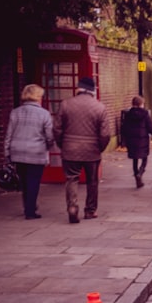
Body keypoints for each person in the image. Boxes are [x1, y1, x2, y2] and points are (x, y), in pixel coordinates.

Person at [54, 76, 110, 223]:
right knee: (92, 181)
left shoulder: (65, 104)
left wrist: (63, 144)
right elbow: (105, 134)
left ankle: (72, 207)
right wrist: (100, 148)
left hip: (70, 149)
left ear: (78, 88)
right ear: (93, 90)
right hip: (92, 151)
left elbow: (57, 129)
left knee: (71, 179)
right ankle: (90, 211)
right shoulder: (100, 107)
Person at [3, 84, 54, 219]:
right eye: (41, 96)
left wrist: (7, 153)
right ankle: (30, 211)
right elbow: (49, 136)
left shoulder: (15, 112)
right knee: (33, 181)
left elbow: (9, 134)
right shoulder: (44, 114)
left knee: (24, 182)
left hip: (17, 152)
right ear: (37, 97)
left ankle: (28, 206)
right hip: (36, 152)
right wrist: (49, 146)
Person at [121, 96, 152, 188]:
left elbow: (124, 128)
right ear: (141, 104)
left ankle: (136, 174)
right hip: (142, 140)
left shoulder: (128, 114)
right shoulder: (145, 114)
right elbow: (150, 127)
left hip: (131, 140)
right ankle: (140, 172)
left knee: (135, 159)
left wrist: (124, 141)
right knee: (144, 158)